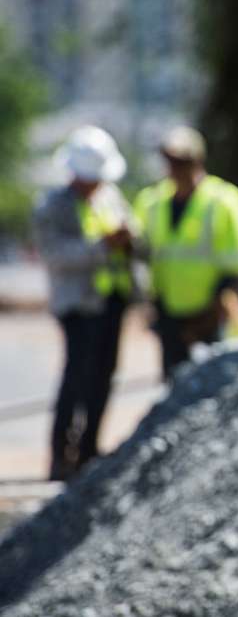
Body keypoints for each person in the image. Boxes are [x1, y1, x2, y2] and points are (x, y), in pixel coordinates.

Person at [33, 126, 138, 480]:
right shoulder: (54, 206)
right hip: (77, 305)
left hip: (111, 301)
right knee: (76, 377)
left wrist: (127, 238)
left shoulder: (110, 196)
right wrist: (102, 246)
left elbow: (131, 228)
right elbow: (54, 253)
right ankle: (61, 455)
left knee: (103, 376)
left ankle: (89, 450)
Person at [134, 126, 238, 378]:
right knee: (173, 383)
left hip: (209, 315)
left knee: (213, 383)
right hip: (168, 312)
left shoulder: (223, 200)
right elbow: (139, 252)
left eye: (181, 162)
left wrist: (217, 304)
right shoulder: (152, 201)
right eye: (171, 162)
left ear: (197, 161)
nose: (175, 169)